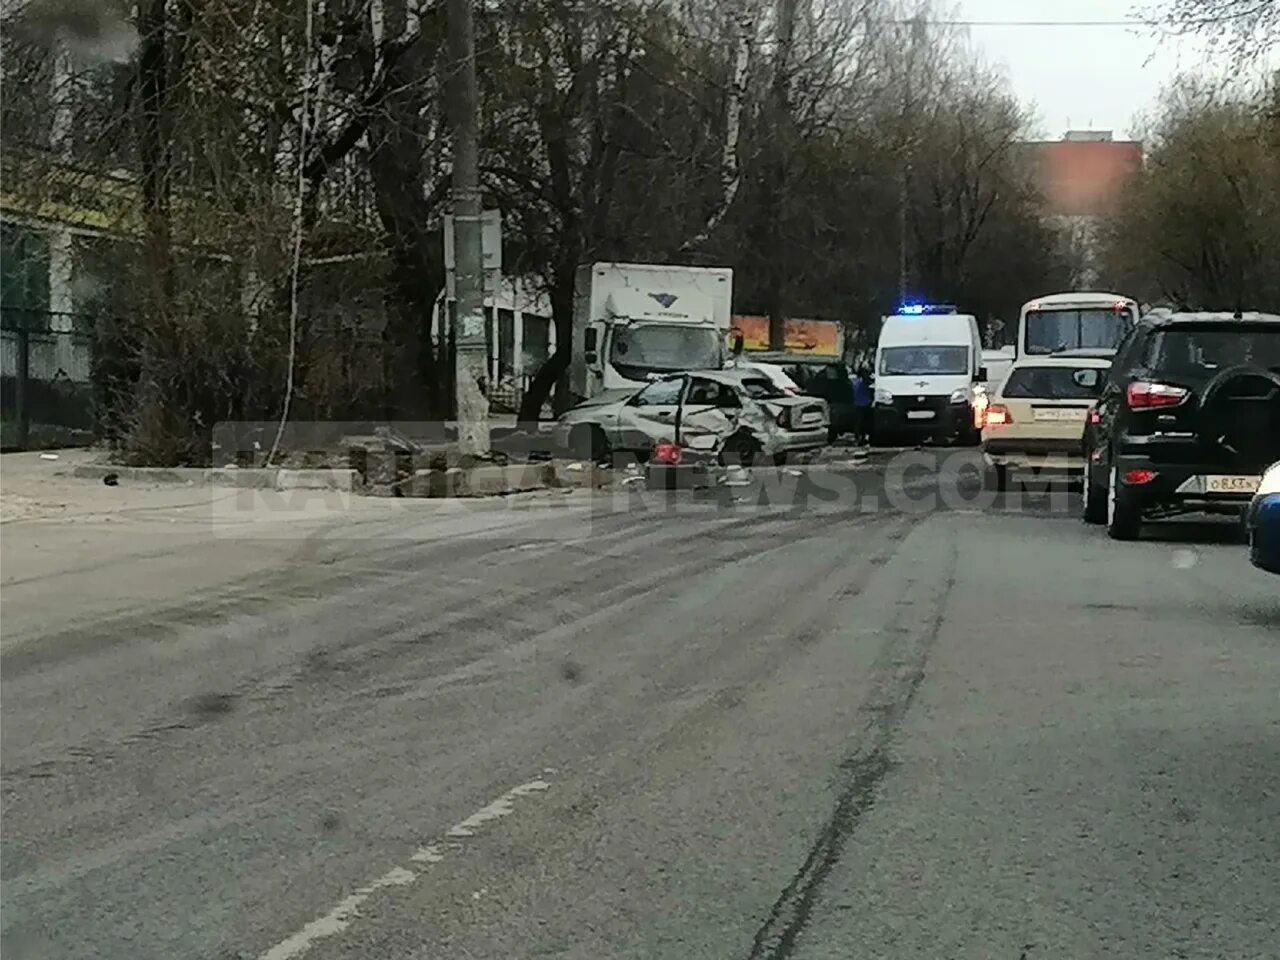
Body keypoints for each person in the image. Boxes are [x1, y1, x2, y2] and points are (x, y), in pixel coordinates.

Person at [850, 366, 873, 444]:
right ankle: (862, 437)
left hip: (857, 404)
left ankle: (859, 437)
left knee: (859, 422)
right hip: (865, 404)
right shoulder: (866, 382)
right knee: (865, 422)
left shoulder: (855, 382)